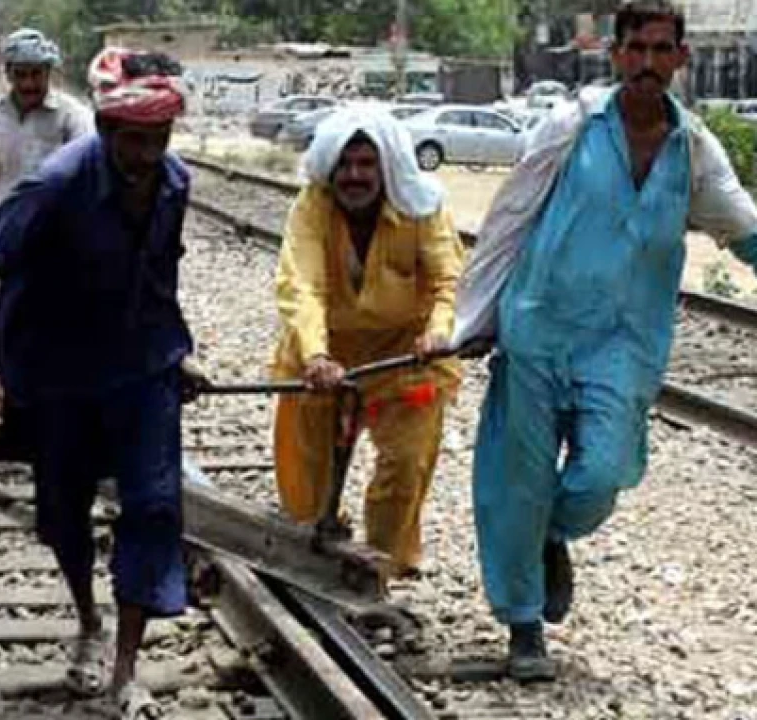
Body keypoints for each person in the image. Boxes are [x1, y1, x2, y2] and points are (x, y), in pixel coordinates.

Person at [451, 1, 757, 682]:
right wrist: (477, 319)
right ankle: (524, 628)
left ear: (681, 59)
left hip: (623, 345)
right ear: (616, 56)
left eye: (660, 50)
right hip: (539, 327)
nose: (647, 63)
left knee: (601, 475)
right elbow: (508, 219)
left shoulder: (695, 149)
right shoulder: (571, 126)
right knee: (517, 481)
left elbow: (743, 226)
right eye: (636, 49)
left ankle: (552, 536)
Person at [0, 48, 207, 719]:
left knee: (154, 506)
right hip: (58, 368)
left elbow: (159, 276)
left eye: (159, 141)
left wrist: (174, 351)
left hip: (138, 367)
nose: (146, 156)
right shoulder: (57, 183)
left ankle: (127, 669)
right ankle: (88, 622)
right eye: (133, 142)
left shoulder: (175, 184)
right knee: (63, 513)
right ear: (103, 132)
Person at [270, 110, 464, 579]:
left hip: (407, 357)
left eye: (366, 164)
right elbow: (303, 285)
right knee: (307, 472)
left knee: (406, 463)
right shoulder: (312, 206)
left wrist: (438, 332)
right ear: (330, 170)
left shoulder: (423, 207)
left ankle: (377, 566)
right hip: (324, 355)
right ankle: (311, 553)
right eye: (346, 165)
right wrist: (316, 354)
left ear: (386, 169)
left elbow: (448, 281)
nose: (355, 176)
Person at [0, 28, 92, 212]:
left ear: (48, 72)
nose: (28, 84)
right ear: (8, 74)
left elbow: (87, 177)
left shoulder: (73, 117)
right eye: (20, 74)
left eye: (36, 74)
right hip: (6, 219)